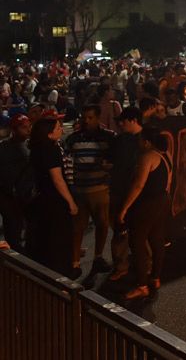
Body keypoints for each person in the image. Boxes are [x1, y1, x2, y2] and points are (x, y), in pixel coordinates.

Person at [118, 127, 172, 300]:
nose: (138, 143)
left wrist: (125, 207)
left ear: (147, 142)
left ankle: (142, 285)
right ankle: (155, 277)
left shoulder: (147, 157)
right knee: (157, 240)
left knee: (137, 242)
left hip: (147, 204)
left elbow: (139, 185)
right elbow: (169, 181)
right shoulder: (166, 156)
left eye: (140, 140)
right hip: (162, 200)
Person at [66, 104, 116, 277]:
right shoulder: (73, 139)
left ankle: (98, 256)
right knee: (77, 227)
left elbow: (116, 161)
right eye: (84, 118)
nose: (87, 121)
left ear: (98, 118)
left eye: (90, 118)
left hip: (100, 189)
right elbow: (67, 161)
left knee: (102, 224)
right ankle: (75, 262)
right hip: (79, 189)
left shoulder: (109, 138)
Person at [27, 115, 77, 276]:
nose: (61, 129)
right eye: (57, 128)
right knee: (58, 240)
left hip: (42, 199)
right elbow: (57, 179)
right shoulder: (51, 150)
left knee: (45, 238)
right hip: (55, 201)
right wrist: (71, 202)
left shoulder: (36, 148)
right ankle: (61, 274)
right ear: (48, 133)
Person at [108, 107, 143, 281]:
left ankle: (143, 266)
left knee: (140, 230)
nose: (121, 124)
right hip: (120, 190)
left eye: (124, 120)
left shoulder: (146, 140)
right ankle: (122, 265)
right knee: (120, 230)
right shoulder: (121, 140)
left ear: (134, 120)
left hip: (138, 192)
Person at [0, 114, 33, 251]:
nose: (27, 130)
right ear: (14, 130)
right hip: (10, 197)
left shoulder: (27, 145)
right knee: (13, 232)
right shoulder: (6, 148)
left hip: (22, 196)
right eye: (23, 127)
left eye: (28, 126)